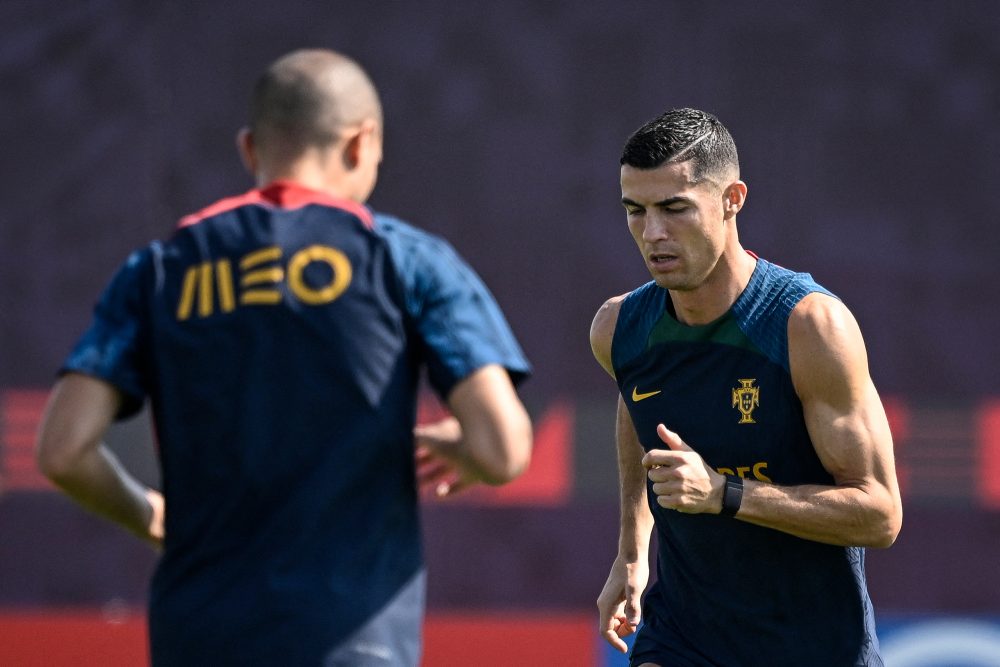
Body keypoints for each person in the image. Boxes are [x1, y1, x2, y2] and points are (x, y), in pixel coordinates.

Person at [36, 49, 533, 667]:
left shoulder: (160, 269)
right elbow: (503, 448)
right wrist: (457, 446)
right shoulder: (405, 259)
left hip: (201, 636)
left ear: (250, 149)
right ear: (362, 143)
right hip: (355, 639)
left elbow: (62, 451)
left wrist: (150, 518)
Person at [591, 108, 902, 666]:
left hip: (814, 647)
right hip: (684, 637)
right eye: (635, 211)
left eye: (674, 208)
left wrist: (723, 494)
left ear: (732, 199)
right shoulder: (619, 331)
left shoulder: (809, 327)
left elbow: (878, 513)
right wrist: (631, 553)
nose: (652, 233)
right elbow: (635, 411)